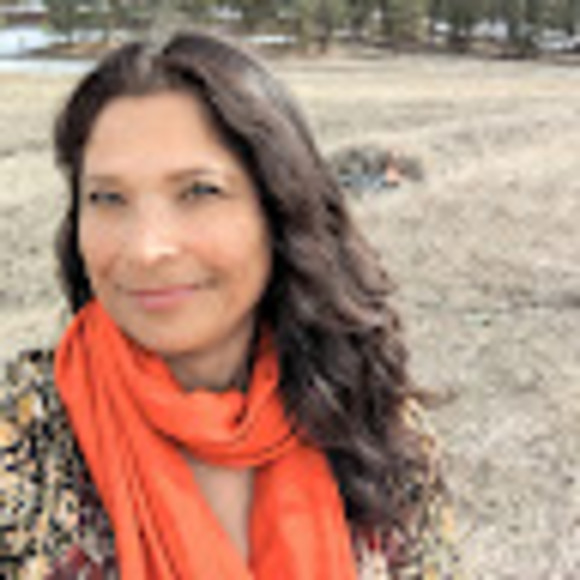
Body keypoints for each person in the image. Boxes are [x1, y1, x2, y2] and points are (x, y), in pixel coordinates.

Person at [1, 31, 460, 579]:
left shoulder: (375, 429)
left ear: (281, 211)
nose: (146, 248)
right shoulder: (21, 440)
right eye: (107, 198)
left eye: (199, 192)